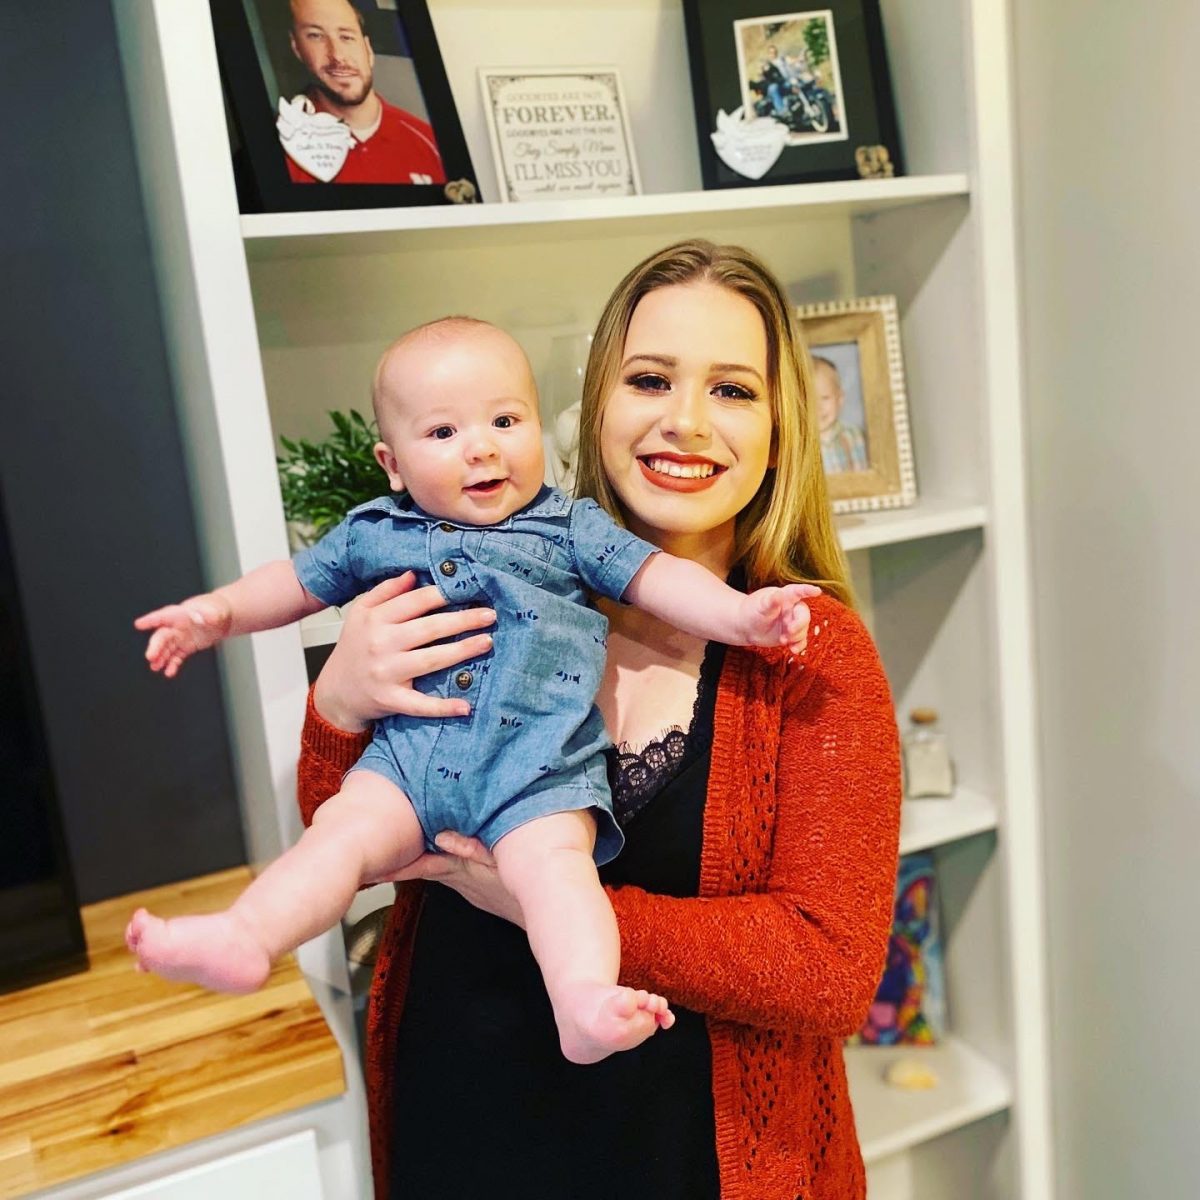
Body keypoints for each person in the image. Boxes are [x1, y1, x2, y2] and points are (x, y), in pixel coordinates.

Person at [297, 241, 902, 1199]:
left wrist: (547, 906)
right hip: (456, 1119)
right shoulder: (471, 581)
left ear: (781, 430)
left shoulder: (809, 653)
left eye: (733, 390)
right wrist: (335, 705)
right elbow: (350, 848)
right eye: (650, 379)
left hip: (684, 1162)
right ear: (596, 405)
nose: (685, 420)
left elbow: (828, 970)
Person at [126, 317, 818, 1066]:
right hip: (406, 766)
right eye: (443, 432)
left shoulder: (569, 529)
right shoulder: (372, 533)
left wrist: (742, 618)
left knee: (556, 873)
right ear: (392, 464)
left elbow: (660, 578)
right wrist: (218, 614)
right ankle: (248, 936)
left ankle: (582, 1000)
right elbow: (292, 583)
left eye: (505, 421)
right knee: (338, 837)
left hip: (536, 774)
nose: (482, 447)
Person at [282, 0, 445, 185]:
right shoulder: (283, 147)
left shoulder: (430, 142)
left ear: (368, 49)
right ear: (297, 48)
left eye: (346, 37)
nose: (337, 55)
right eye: (316, 36)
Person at [813, 353, 869, 473]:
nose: (818, 407)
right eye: (809, 400)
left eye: (825, 398)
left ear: (840, 399)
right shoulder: (797, 446)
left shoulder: (857, 437)